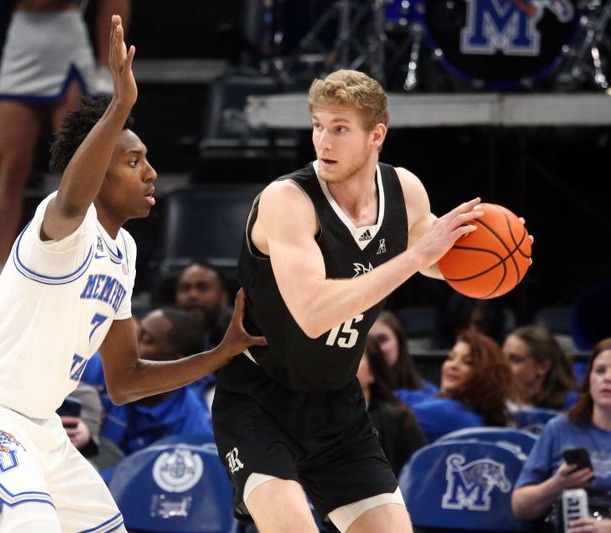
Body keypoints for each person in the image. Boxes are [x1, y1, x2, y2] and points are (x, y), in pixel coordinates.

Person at [0, 17, 263, 533]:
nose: (151, 172)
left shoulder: (123, 251)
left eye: (148, 161)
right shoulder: (64, 226)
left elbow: (126, 380)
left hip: (40, 425)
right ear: (98, 172)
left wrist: (219, 354)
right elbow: (71, 192)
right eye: (134, 161)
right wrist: (119, 106)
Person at [209, 68, 520, 533]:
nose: (324, 141)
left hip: (338, 405)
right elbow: (313, 312)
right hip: (260, 402)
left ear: (376, 135)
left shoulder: (405, 191)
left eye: (340, 129)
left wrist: (503, 255)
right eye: (318, 125)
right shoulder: (287, 200)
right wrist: (415, 257)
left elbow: (442, 262)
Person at [0, 0, 131, 296]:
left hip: (67, 45)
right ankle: (0, 265)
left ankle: (80, 259)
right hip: (21, 43)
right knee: (12, 167)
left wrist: (105, 64)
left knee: (75, 163)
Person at [511, 338, 611, 530]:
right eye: (600, 371)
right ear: (589, 378)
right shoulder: (559, 428)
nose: (607, 378)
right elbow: (520, 507)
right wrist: (557, 484)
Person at [101, 307, 214, 454]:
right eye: (137, 332)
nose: (131, 341)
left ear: (175, 363)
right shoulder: (101, 365)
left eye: (145, 339)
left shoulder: (194, 430)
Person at [402, 331, 514, 443]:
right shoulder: (476, 411)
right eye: (451, 358)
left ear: (488, 375)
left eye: (468, 362)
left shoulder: (450, 411)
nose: (453, 365)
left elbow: (392, 418)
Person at [356, 337, 426, 475]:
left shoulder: (399, 419)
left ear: (372, 373)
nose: (345, 365)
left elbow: (420, 475)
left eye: (355, 356)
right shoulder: (313, 418)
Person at [502, 325, 578, 410]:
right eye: (501, 357)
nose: (503, 365)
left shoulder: (573, 407)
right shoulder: (493, 402)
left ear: (543, 367)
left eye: (515, 360)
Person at [368, 310, 438, 396]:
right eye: (368, 343)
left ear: (399, 341)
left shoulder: (429, 394)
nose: (376, 348)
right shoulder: (355, 399)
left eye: (382, 339)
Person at [174, 261, 234, 347]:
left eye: (203, 288)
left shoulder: (242, 332)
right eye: (185, 288)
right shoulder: (162, 331)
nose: (192, 295)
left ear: (223, 297)